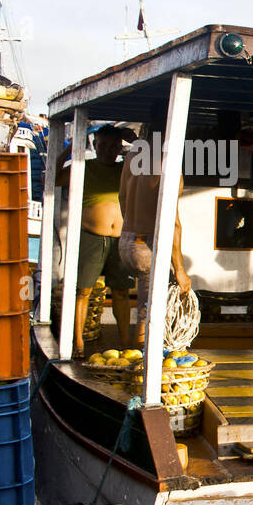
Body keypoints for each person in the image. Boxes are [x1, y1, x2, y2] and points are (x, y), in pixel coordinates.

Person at [118, 121, 192, 347]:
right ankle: (143, 373)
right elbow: (172, 223)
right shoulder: (168, 161)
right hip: (146, 246)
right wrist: (180, 269)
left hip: (126, 240)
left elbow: (122, 197)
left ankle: (140, 364)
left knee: (145, 308)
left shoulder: (133, 155)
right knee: (148, 315)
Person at [65, 125, 136, 357]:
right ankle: (78, 344)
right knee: (83, 291)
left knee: (121, 292)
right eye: (102, 145)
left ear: (119, 147)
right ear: (94, 145)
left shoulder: (125, 168)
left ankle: (126, 344)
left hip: (120, 239)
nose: (107, 150)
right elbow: (54, 177)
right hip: (91, 237)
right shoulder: (83, 168)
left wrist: (135, 142)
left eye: (113, 146)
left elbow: (152, 164)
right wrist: (70, 149)